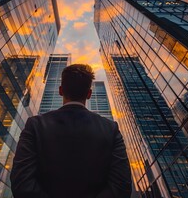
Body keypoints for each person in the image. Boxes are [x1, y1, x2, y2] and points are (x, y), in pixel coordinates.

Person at [10, 64, 132, 198]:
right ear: (89, 94)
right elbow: (121, 187)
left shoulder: (35, 125)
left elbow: (22, 184)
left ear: (60, 90)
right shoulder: (111, 129)